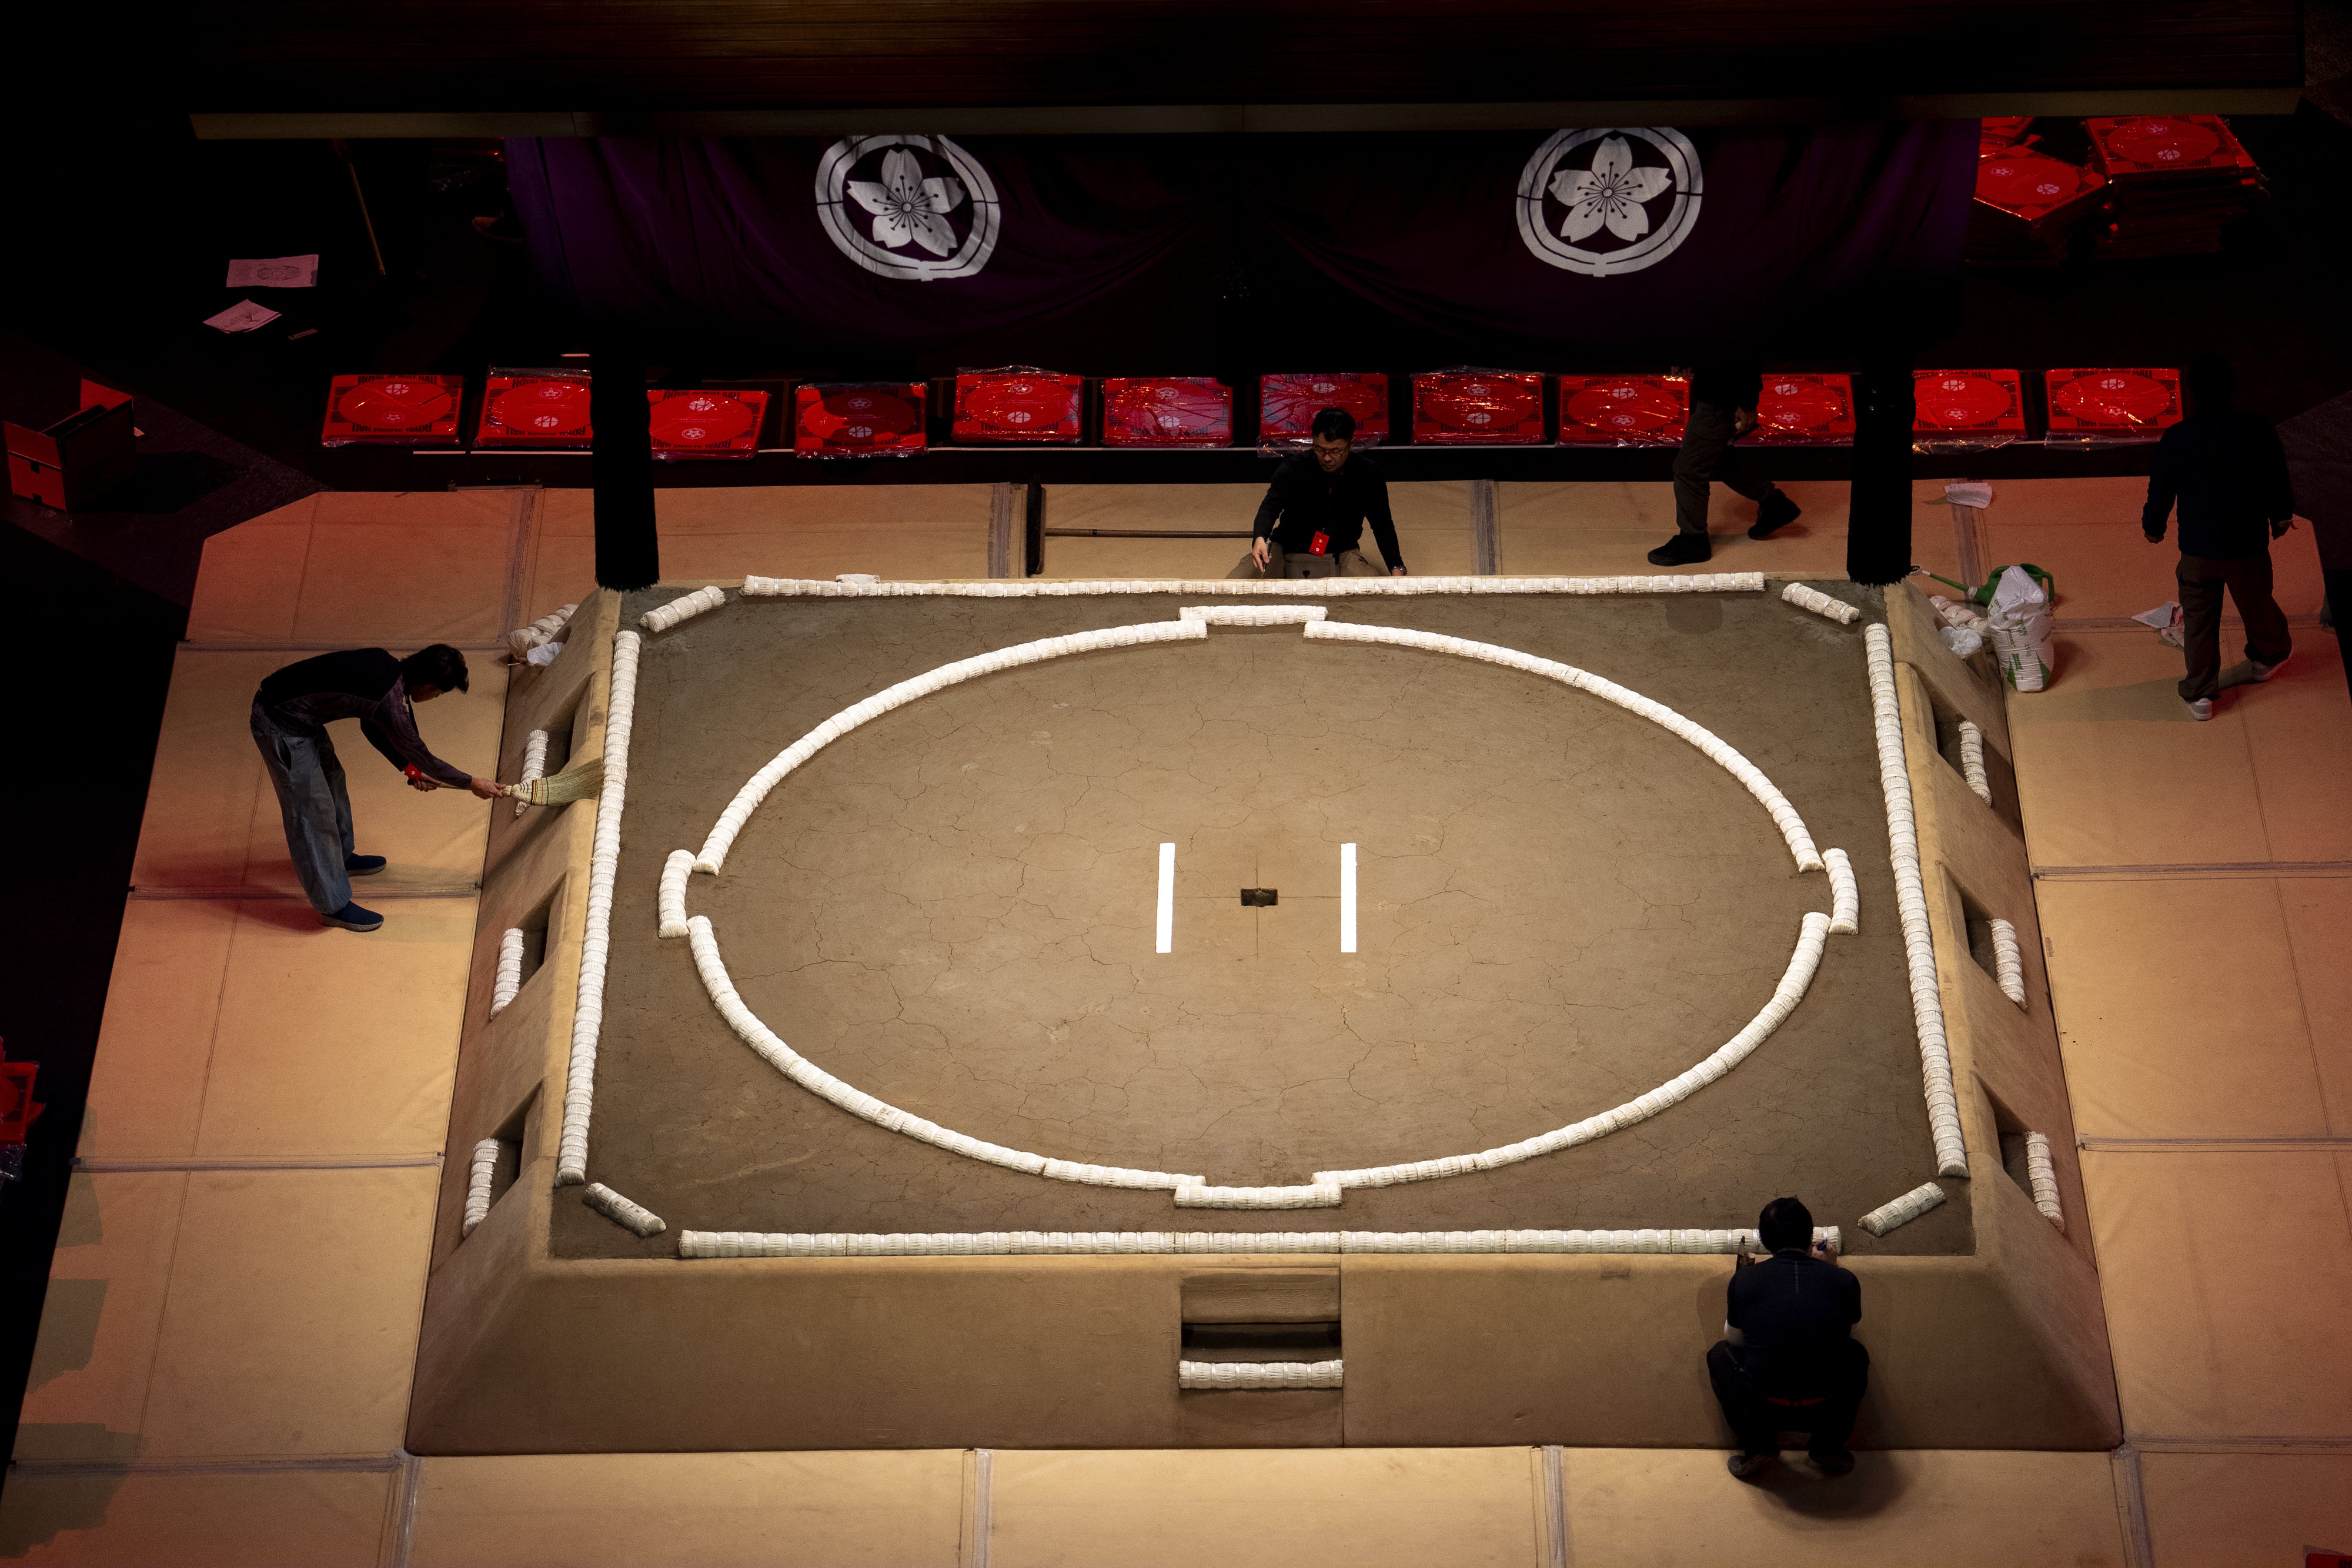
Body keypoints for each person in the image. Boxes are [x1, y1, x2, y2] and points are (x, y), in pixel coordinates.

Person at [249, 644, 500, 932]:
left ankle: (341, 858)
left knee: (334, 782)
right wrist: (472, 783)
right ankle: (333, 907)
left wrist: (410, 770)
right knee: (310, 815)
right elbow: (424, 756)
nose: (435, 699)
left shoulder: (388, 667)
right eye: (438, 694)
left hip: (303, 721)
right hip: (280, 725)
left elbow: (371, 726)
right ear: (428, 685)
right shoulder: (389, 699)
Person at [2143, 353, 2296, 721]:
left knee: (2199, 621)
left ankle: (2200, 695)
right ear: (2232, 388)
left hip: (2198, 548)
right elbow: (2277, 477)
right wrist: (2281, 516)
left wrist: (2155, 527)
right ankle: (2267, 658)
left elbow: (2161, 488)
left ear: (2192, 393)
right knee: (2257, 604)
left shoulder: (2179, 436)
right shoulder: (2258, 429)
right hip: (2247, 545)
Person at [1706, 1196, 1867, 1480]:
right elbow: (1845, 1333)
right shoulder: (1844, 1280)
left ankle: (1756, 1448)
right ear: (1810, 1236)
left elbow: (1734, 1340)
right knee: (1855, 1353)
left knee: (1720, 1354)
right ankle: (1828, 1446)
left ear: (1764, 1239)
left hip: (1763, 1406)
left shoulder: (1744, 1280)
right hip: (1826, 1404)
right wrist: (1831, 1269)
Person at [1231, 407, 1409, 579]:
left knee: (1373, 595)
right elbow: (1270, 507)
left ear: (1351, 444)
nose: (1327, 458)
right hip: (1285, 548)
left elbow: (1382, 524)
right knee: (1234, 586)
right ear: (1313, 440)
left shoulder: (1369, 473)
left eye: (1335, 451)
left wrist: (1396, 566)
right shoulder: (1292, 468)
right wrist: (1260, 538)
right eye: (1320, 449)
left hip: (1343, 552)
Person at [1649, 364, 1800, 566]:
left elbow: (1741, 352)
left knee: (1689, 469)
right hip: (1716, 391)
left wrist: (1747, 404)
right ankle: (1775, 504)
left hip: (1721, 397)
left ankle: (1693, 541)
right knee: (1715, 456)